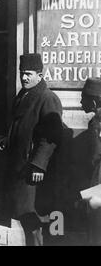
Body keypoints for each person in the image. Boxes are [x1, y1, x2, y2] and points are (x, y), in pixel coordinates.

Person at [0, 53, 63, 246]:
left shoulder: (47, 98)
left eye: (28, 74)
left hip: (33, 171)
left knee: (34, 220)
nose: (23, 77)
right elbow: (21, 127)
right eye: (21, 73)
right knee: (26, 219)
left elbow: (50, 138)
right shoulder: (23, 96)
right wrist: (7, 140)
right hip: (20, 167)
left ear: (40, 75)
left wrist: (38, 166)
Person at [80, 77, 101, 245]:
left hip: (98, 181)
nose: (80, 102)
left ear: (94, 101)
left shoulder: (96, 122)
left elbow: (94, 156)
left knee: (94, 225)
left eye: (84, 98)